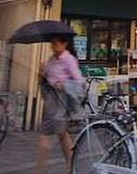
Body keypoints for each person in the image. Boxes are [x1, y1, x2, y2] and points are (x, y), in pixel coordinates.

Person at [36, 36, 84, 174]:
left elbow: (79, 82)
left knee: (48, 134)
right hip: (51, 101)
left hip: (61, 101)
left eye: (56, 44)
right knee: (61, 135)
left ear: (64, 44)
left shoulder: (68, 59)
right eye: (52, 44)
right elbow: (47, 78)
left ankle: (40, 169)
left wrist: (63, 85)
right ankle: (70, 166)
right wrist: (42, 72)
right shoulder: (52, 59)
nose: (53, 46)